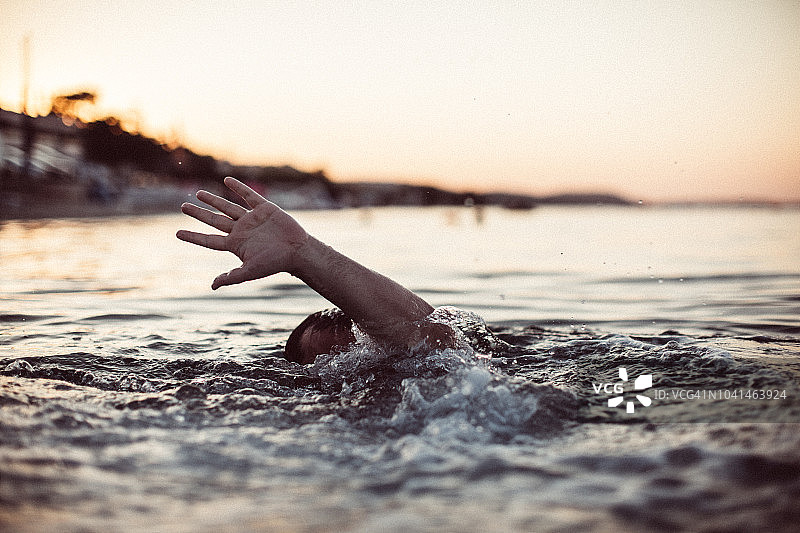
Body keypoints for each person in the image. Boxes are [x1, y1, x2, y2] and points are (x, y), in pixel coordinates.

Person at [177, 177, 467, 364]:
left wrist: (303, 253)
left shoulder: (441, 371)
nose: (351, 365)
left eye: (362, 354)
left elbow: (432, 336)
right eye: (330, 363)